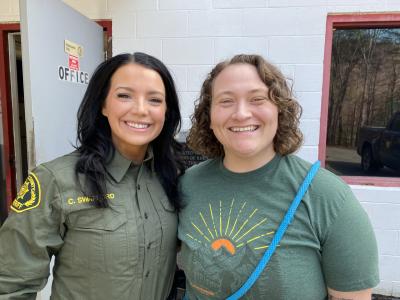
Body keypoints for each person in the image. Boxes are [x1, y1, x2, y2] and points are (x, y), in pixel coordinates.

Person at [178, 54, 379, 299]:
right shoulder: (188, 184)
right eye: (226, 101)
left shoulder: (327, 196)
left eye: (257, 99)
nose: (241, 113)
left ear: (279, 110)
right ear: (209, 117)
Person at [0, 52, 184, 299]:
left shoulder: (172, 177)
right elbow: (11, 285)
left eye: (155, 100)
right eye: (124, 96)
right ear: (103, 105)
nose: (141, 110)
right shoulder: (55, 180)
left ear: (166, 111)